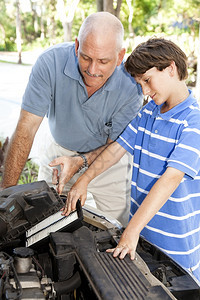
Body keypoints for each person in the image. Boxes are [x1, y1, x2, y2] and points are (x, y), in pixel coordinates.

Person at [63, 37, 200, 282]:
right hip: (143, 236)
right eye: (140, 84)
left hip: (177, 250)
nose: (145, 91)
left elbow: (171, 179)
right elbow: (117, 148)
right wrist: (84, 180)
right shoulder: (148, 112)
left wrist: (131, 230)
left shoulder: (193, 122)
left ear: (170, 68)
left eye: (147, 81)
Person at [0, 12, 143, 226]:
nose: (92, 70)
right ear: (76, 46)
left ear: (120, 56)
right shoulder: (50, 63)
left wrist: (81, 162)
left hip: (110, 160)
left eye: (103, 61)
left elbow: (116, 146)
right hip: (58, 154)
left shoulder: (132, 86)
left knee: (113, 230)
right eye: (86, 57)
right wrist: (5, 199)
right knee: (44, 223)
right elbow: (26, 129)